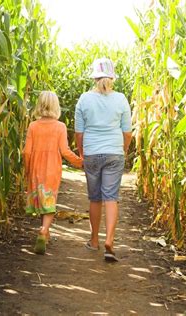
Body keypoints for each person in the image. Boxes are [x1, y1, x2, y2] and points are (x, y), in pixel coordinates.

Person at [75, 57, 132, 262]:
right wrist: (122, 149)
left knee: (95, 198)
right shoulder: (121, 99)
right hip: (114, 152)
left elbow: (79, 133)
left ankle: (94, 240)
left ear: (94, 77)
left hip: (91, 152)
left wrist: (82, 152)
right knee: (111, 197)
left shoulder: (84, 99)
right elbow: (127, 132)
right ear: (112, 77)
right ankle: (109, 241)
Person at [23, 91, 83, 254]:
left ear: (39, 106)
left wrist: (27, 169)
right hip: (52, 169)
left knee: (41, 201)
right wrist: (79, 161)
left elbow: (26, 152)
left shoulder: (33, 126)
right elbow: (64, 150)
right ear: (56, 107)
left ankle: (45, 232)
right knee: (49, 203)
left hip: (36, 168)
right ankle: (44, 230)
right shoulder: (60, 127)